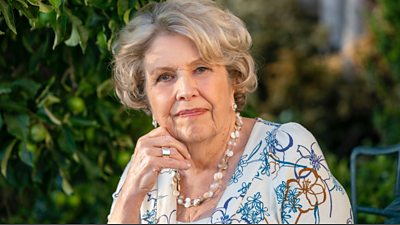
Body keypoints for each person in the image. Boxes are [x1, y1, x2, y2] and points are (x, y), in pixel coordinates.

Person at [107, 0, 353, 223]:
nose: (185, 90)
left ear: (233, 78)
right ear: (146, 96)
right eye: (165, 76)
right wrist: (129, 196)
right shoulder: (145, 168)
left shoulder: (287, 153)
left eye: (201, 68)